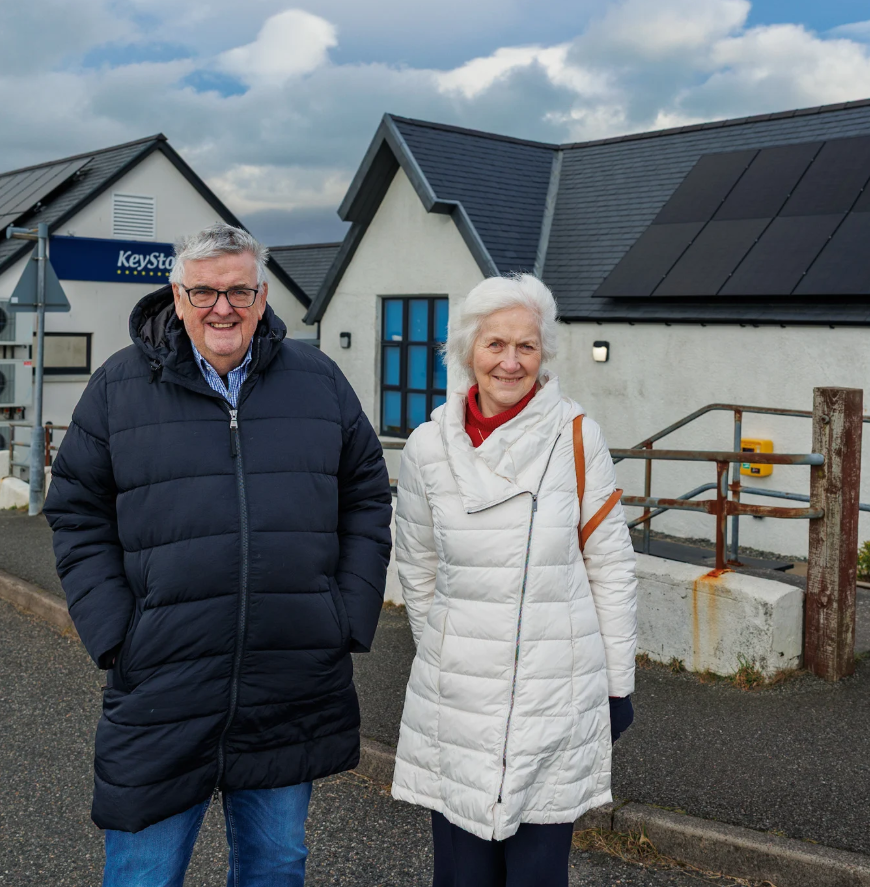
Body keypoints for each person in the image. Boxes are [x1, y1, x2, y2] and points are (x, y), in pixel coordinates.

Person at [44, 223, 392, 886]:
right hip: (162, 682)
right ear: (177, 297)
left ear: (263, 297)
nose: (222, 308)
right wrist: (115, 632)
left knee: (276, 866)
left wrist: (345, 613)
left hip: (287, 682)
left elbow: (367, 494)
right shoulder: (118, 387)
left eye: (238, 291)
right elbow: (76, 510)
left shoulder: (318, 382)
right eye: (204, 291)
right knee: (143, 874)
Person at [391, 274, 637, 886]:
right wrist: (445, 655)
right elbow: (418, 567)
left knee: (538, 873)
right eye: (495, 344)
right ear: (467, 352)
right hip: (459, 701)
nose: (510, 361)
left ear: (543, 354)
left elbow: (609, 566)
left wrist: (617, 685)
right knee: (463, 873)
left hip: (555, 696)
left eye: (526, 346)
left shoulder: (577, 437)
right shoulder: (427, 448)